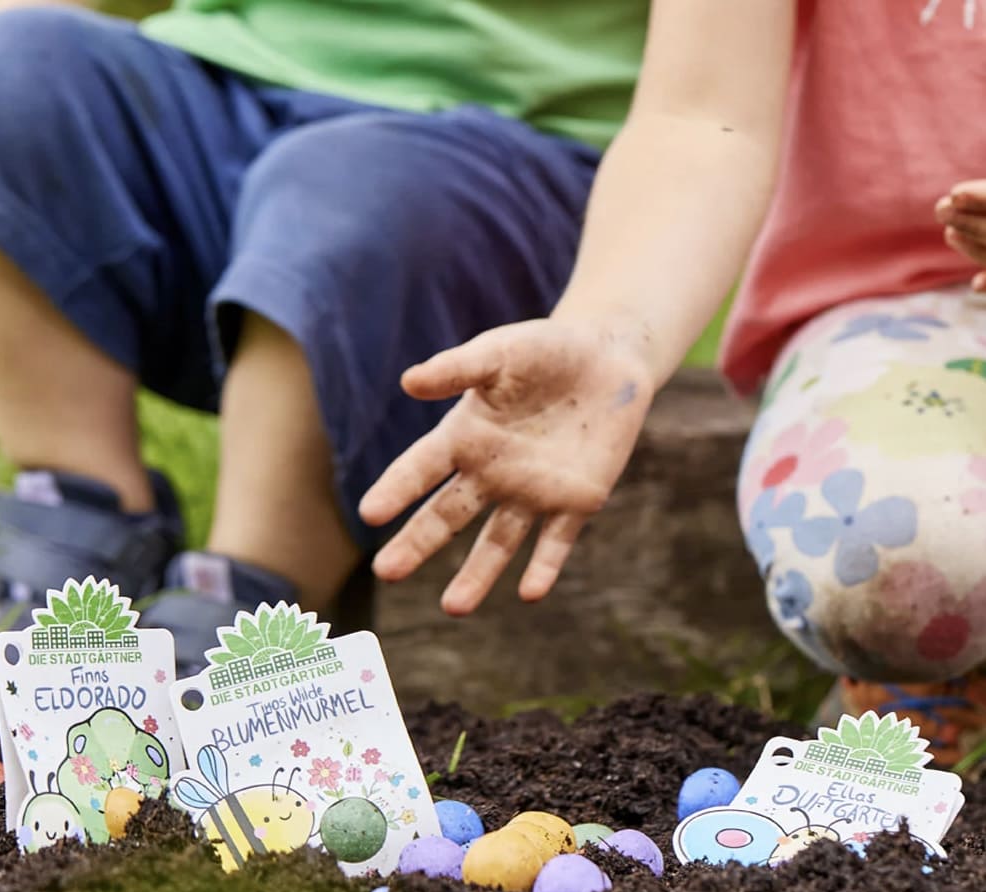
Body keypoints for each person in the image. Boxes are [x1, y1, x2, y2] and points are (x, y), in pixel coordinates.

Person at [360, 0, 986, 765]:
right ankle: (929, 675)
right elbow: (700, 118)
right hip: (908, 314)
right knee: (888, 560)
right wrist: (611, 330)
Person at [0, 0, 645, 673]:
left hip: (498, 150)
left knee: (340, 186)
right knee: (6, 65)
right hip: (224, 84)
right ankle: (80, 547)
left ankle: (244, 622)